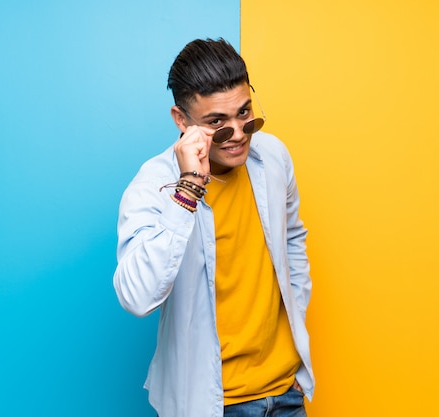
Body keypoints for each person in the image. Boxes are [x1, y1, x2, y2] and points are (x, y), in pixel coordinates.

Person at [113, 38, 314, 417]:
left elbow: (292, 241)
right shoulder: (152, 185)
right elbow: (136, 297)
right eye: (217, 124)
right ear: (181, 120)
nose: (238, 133)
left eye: (245, 114)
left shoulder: (273, 157)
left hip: (286, 391)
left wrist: (296, 330)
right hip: (214, 403)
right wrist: (188, 186)